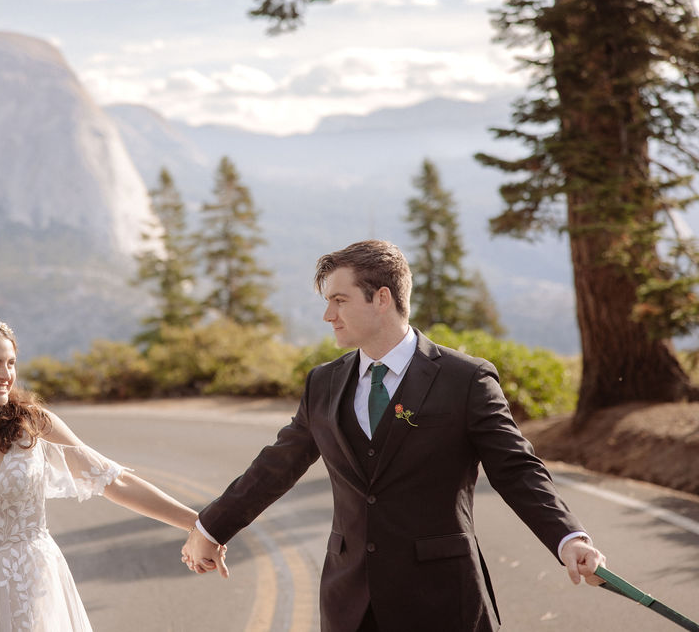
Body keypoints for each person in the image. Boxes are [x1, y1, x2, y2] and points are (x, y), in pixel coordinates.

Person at [181, 240, 606, 632]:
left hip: (442, 599)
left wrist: (568, 538)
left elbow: (517, 469)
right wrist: (211, 527)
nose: (329, 315)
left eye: (340, 300)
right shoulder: (323, 384)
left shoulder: (466, 380)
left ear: (381, 298)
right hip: (349, 603)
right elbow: (277, 465)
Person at [0, 316, 209, 632]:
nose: (6, 374)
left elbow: (113, 481)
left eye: (11, 363)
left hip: (33, 586)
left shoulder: (32, 424)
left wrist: (200, 524)